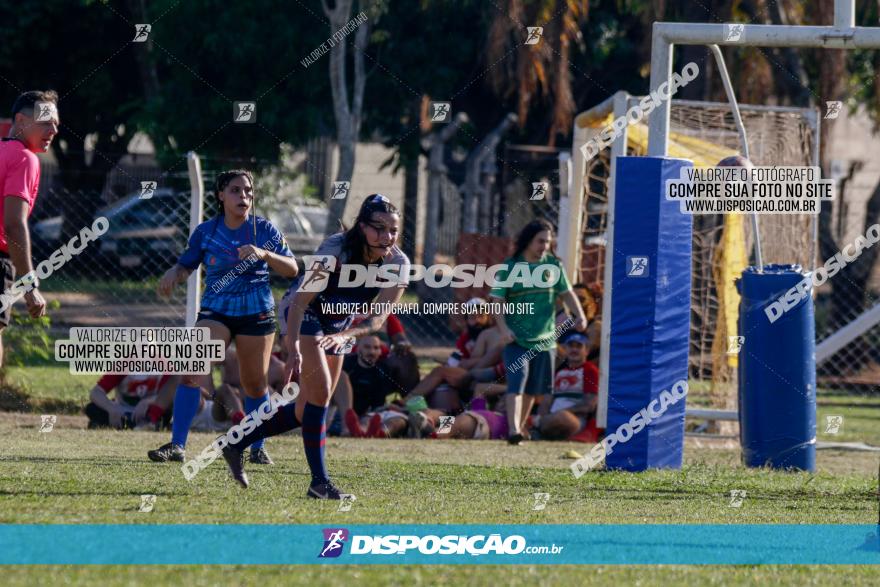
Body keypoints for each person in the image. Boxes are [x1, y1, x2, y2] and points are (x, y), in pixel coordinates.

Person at [219, 194, 409, 499]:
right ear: (362, 227)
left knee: (306, 408)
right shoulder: (335, 250)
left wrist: (349, 336)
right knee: (319, 391)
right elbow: (299, 303)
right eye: (379, 228)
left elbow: (376, 321)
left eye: (393, 230)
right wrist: (292, 344)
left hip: (339, 326)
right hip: (303, 312)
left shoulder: (398, 263)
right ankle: (319, 483)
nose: (387, 236)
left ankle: (235, 443)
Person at [147, 170, 298, 465]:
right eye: (236, 190)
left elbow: (292, 268)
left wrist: (264, 255)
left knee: (255, 385)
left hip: (257, 313)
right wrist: (172, 274)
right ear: (220, 195)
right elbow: (185, 266)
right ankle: (177, 446)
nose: (244, 196)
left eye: (248, 191)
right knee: (192, 369)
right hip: (216, 311)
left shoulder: (264, 230)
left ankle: (256, 448)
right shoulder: (206, 231)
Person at [489, 219, 587, 445]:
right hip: (517, 339)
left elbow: (568, 293)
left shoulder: (554, 266)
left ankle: (518, 429)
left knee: (533, 389)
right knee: (517, 382)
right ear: (528, 241)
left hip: (546, 340)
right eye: (540, 241)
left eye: (548, 242)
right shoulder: (510, 267)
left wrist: (579, 315)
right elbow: (497, 301)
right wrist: (503, 329)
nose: (544, 246)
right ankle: (513, 428)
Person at [0, 91, 57, 365]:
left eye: (56, 123)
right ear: (21, 121)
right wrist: (29, 285)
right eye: (46, 122)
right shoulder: (25, 158)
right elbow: (13, 224)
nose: (54, 130)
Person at [536, 332, 598, 440]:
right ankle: (539, 426)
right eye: (571, 346)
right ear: (565, 349)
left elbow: (589, 405)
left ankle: (537, 427)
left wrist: (562, 413)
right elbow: (547, 400)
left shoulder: (590, 370)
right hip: (552, 417)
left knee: (562, 418)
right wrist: (543, 415)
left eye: (579, 346)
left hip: (575, 419)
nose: (574, 350)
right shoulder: (559, 372)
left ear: (587, 350)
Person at [85, 373, 177, 429]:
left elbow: (173, 392)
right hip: (123, 412)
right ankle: (134, 425)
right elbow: (96, 392)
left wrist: (148, 401)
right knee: (92, 408)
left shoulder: (165, 365)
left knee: (167, 410)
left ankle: (148, 424)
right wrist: (111, 408)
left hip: (150, 412)